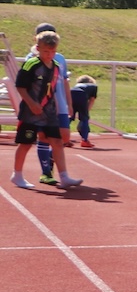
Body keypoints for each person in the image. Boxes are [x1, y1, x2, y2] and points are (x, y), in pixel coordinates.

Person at [11, 31, 80, 189]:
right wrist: (31, 104)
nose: (50, 55)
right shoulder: (31, 64)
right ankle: (17, 175)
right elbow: (20, 86)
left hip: (49, 112)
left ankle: (64, 176)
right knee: (26, 143)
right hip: (31, 112)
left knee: (57, 141)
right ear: (38, 48)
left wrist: (58, 107)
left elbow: (53, 89)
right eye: (46, 51)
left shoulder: (56, 67)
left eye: (53, 52)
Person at [30, 23, 77, 186]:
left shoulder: (60, 58)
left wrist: (69, 103)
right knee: (44, 137)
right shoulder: (32, 58)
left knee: (64, 136)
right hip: (43, 104)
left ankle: (52, 162)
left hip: (60, 102)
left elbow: (64, 81)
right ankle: (46, 172)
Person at [70, 75, 98, 148]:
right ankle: (84, 140)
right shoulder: (93, 86)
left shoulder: (77, 85)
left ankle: (63, 137)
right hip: (81, 95)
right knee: (84, 119)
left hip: (71, 93)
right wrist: (86, 113)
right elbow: (92, 100)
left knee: (69, 116)